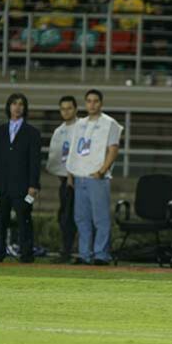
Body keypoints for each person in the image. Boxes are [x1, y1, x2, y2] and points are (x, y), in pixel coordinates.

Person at [66, 89, 122, 265]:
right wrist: (71, 174)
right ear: (85, 103)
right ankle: (84, 254)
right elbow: (74, 151)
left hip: (97, 178)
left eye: (95, 101)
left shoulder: (109, 123)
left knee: (101, 219)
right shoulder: (79, 124)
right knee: (81, 219)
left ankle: (101, 255)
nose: (92, 104)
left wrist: (102, 171)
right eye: (89, 101)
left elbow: (113, 149)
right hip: (80, 176)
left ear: (101, 103)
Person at [0, 93, 41, 263]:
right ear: (8, 107)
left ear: (25, 108)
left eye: (21, 104)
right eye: (14, 104)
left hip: (23, 185)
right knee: (1, 220)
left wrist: (33, 185)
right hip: (2, 184)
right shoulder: (0, 130)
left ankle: (26, 255)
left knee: (24, 219)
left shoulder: (32, 132)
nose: (17, 107)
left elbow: (35, 161)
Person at [46, 95, 79, 263]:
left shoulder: (82, 127)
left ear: (76, 109)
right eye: (63, 109)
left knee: (73, 217)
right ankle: (66, 250)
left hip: (81, 179)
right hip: (65, 182)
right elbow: (56, 157)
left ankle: (74, 252)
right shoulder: (59, 131)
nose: (66, 111)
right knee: (64, 217)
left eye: (69, 108)